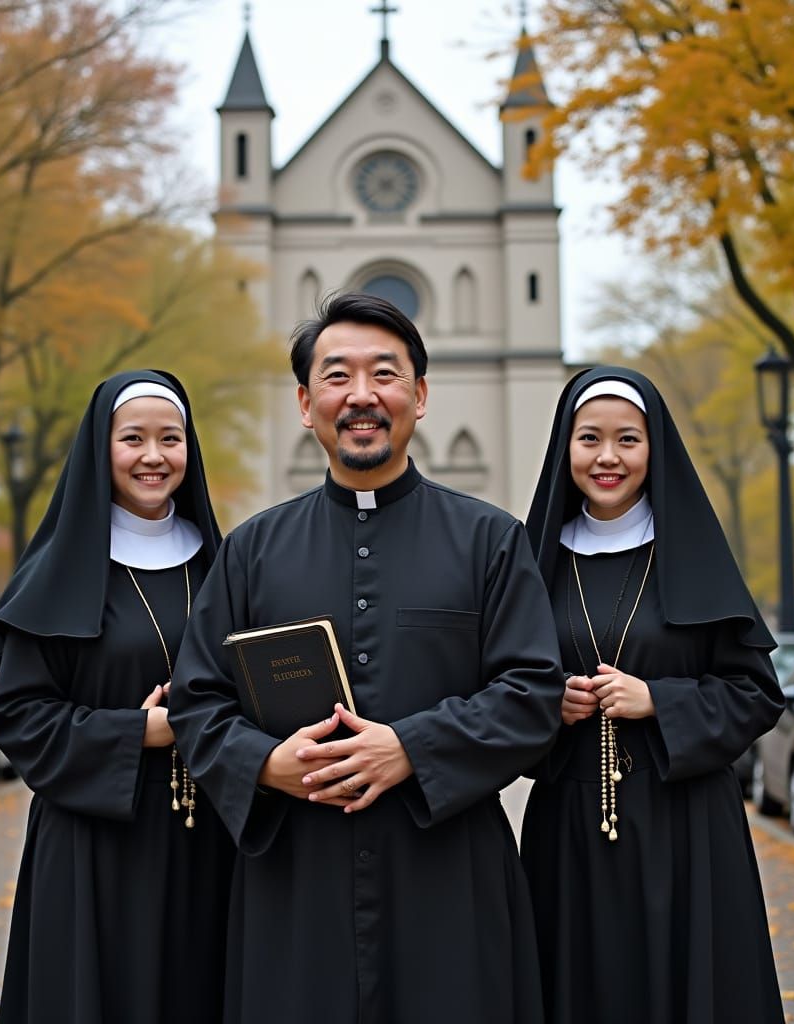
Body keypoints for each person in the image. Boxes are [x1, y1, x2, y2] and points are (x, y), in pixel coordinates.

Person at [168, 293, 565, 1024]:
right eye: (336, 376)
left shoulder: (491, 542)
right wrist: (263, 763)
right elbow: (197, 702)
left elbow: (533, 694)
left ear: (419, 395)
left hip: (452, 886)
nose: (361, 396)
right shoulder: (251, 552)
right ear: (303, 402)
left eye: (384, 374)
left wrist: (411, 747)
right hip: (295, 887)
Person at [520, 366, 786, 1024]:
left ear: (654, 448)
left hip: (686, 826)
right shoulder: (531, 565)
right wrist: (550, 706)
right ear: (565, 447)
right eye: (589, 439)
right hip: (570, 828)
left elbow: (754, 693)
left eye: (627, 440)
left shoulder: (692, 556)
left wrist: (660, 701)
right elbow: (498, 689)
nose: (607, 457)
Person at [0, 369, 234, 1024]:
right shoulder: (61, 572)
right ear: (101, 448)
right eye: (133, 439)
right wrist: (134, 733)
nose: (153, 456)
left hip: (209, 842)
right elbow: (20, 716)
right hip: (95, 842)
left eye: (170, 439)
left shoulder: (225, 565)